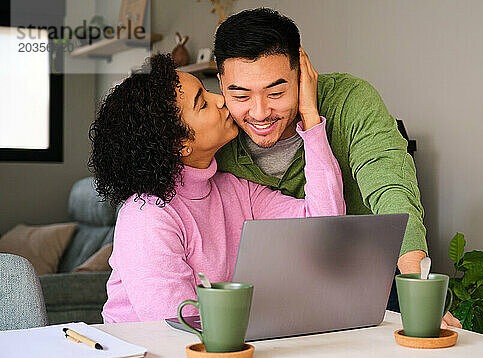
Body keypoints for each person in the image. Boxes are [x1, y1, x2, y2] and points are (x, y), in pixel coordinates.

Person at [213, 8, 461, 328]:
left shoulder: (350, 100)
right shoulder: (217, 133)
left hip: (371, 282)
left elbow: (392, 191)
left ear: (301, 73)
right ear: (221, 84)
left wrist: (420, 289)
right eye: (241, 95)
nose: (260, 113)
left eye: (276, 92)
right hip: (267, 296)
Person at [88, 53, 345, 323]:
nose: (221, 100)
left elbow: (324, 228)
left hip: (218, 349)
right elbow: (179, 325)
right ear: (179, 143)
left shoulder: (235, 190)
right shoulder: (146, 216)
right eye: (202, 103)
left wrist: (311, 118)